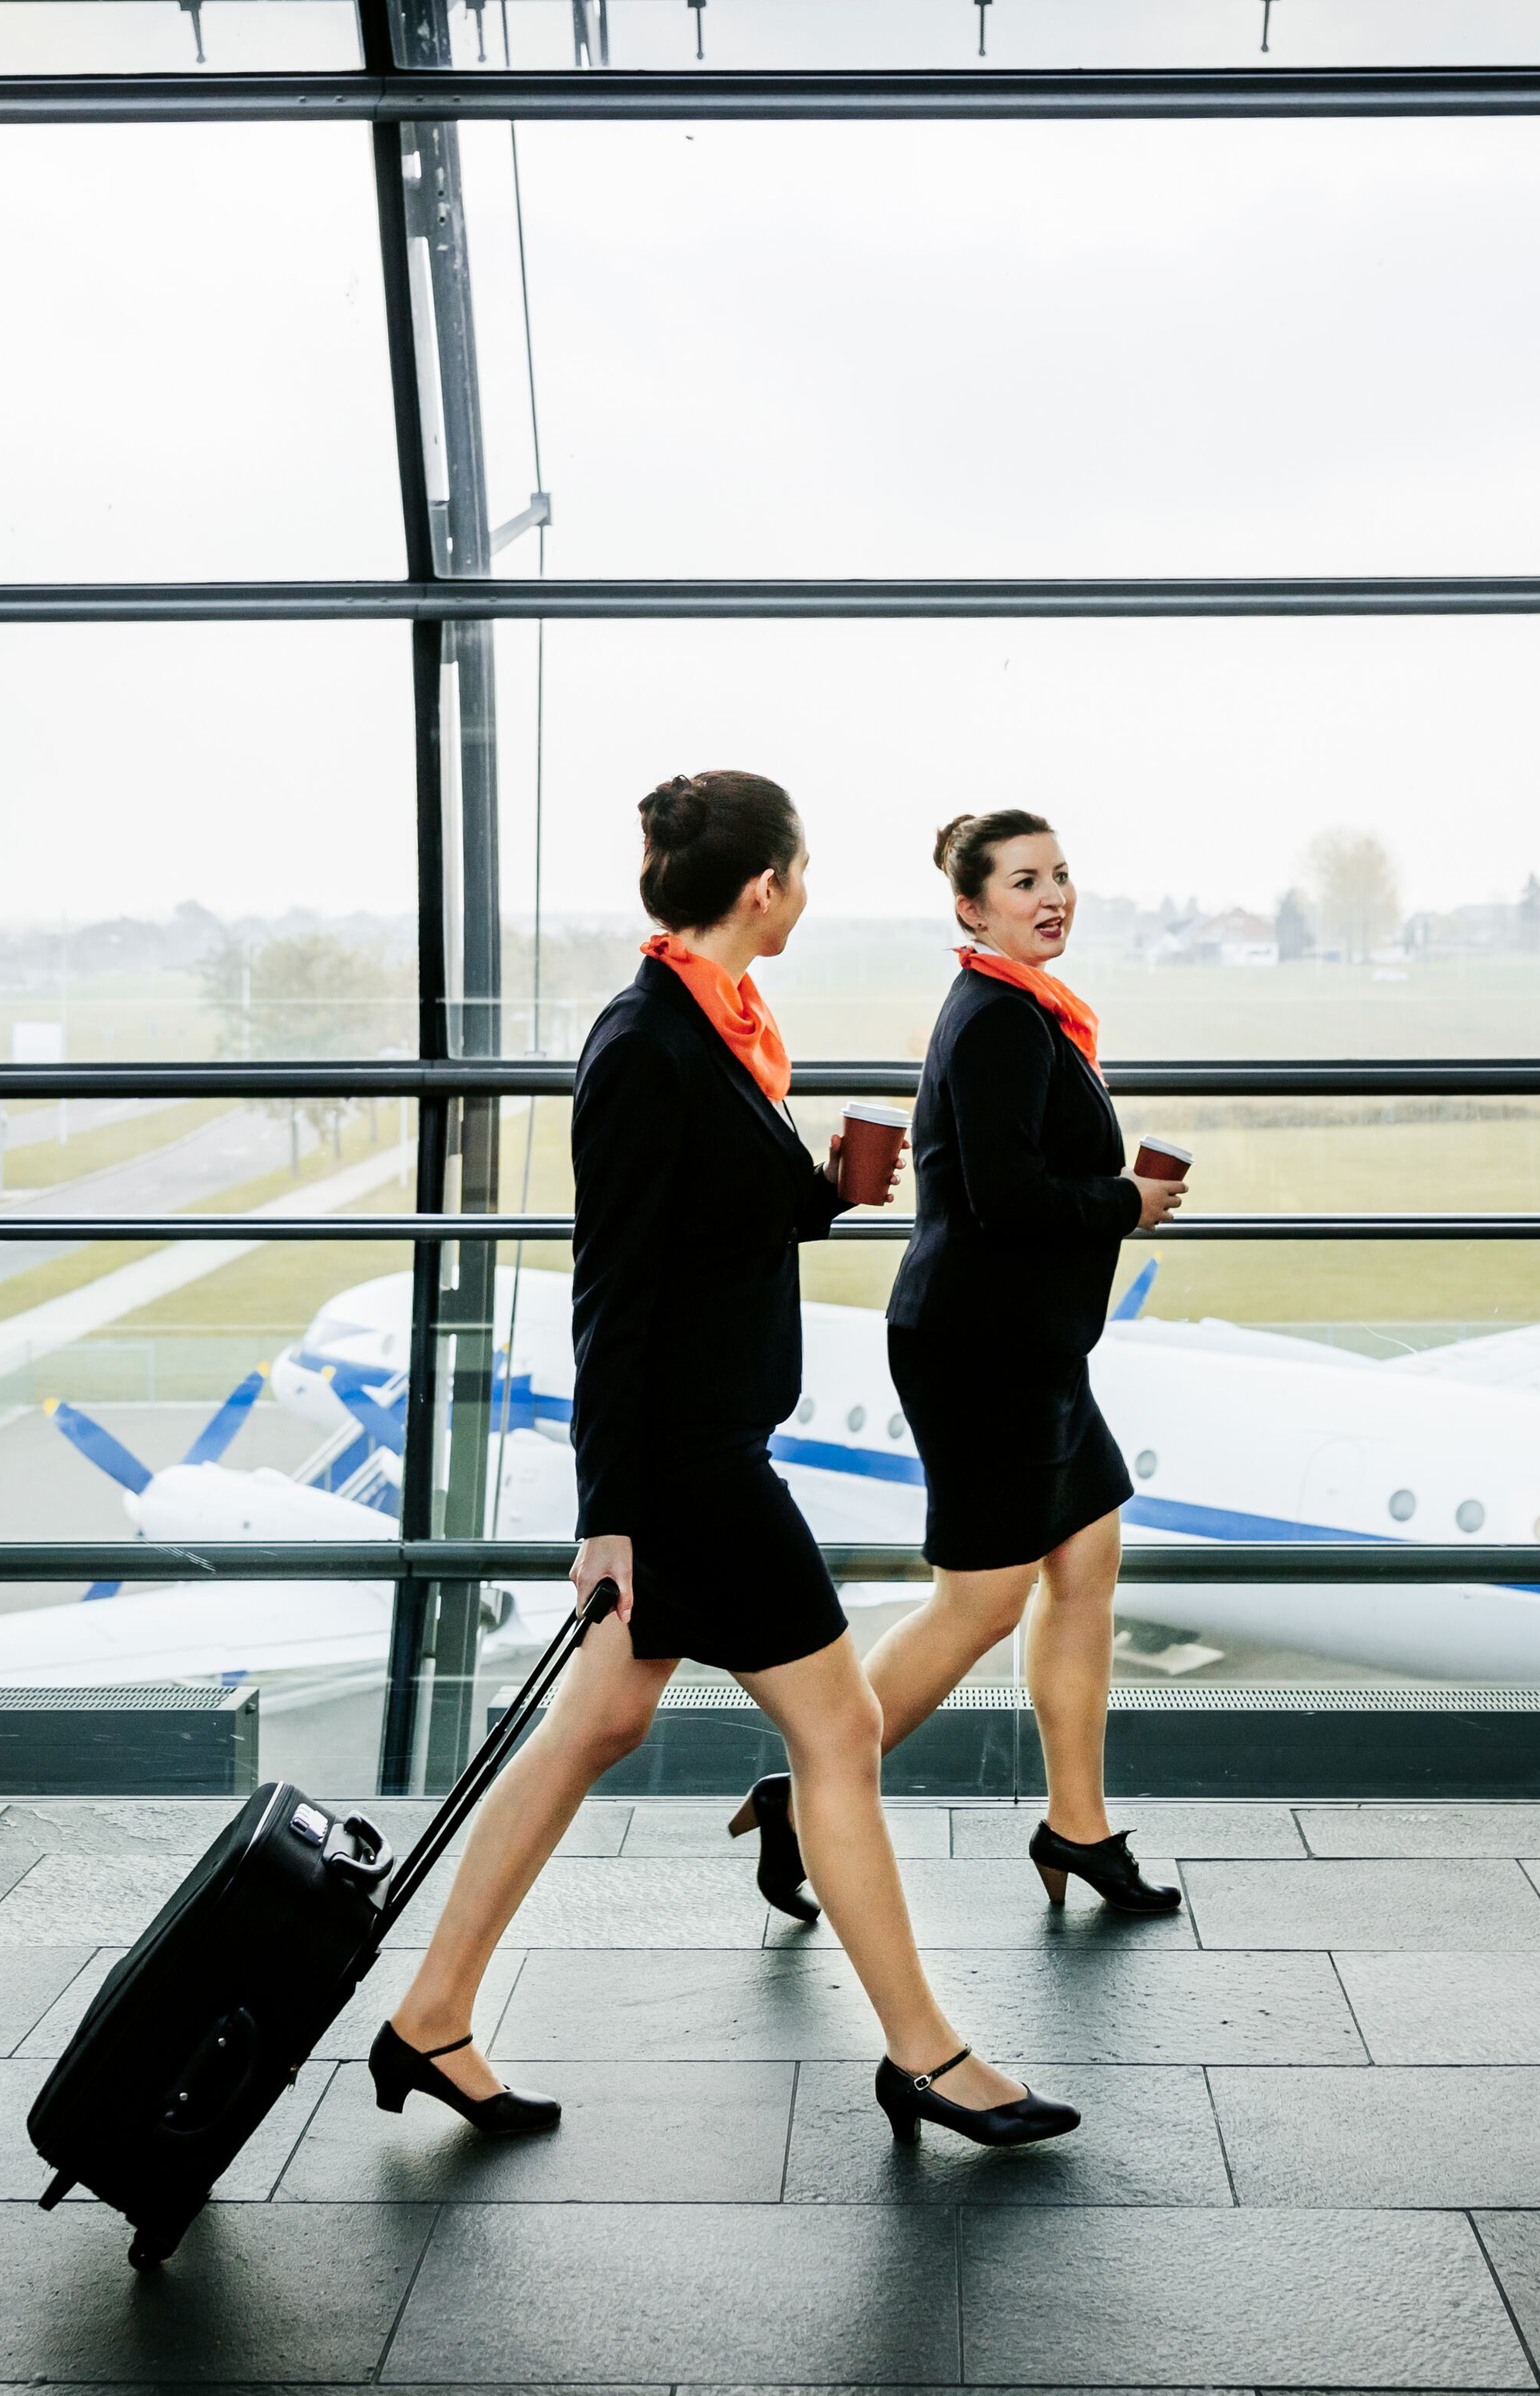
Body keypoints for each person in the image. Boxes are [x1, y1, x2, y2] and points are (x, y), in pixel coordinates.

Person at [373, 772, 1075, 2151]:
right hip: (687, 1472)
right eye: (802, 871)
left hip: (700, 1447)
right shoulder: (647, 1042)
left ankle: (430, 2018)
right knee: (842, 1731)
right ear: (767, 887)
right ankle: (926, 2055)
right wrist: (609, 1516)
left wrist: (818, 1192)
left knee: (600, 1724)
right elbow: (614, 1289)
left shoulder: (712, 1026)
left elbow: (702, 1234)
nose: (806, 891)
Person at [746, 809, 1190, 1922]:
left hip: (1031, 1346)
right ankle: (810, 1793)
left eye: (1062, 875)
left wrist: (1106, 1201)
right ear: (972, 907)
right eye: (1025, 881)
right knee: (981, 1603)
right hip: (982, 1349)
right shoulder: (995, 1018)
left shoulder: (1028, 1013)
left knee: (1086, 1563)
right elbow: (1005, 1198)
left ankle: (1077, 1826)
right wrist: (1124, 1200)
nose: (1054, 896)